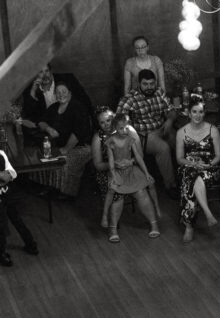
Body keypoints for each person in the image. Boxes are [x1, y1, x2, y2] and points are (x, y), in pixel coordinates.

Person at [116, 69, 177, 193]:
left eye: (151, 84)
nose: (149, 87)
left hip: (162, 128)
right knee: (163, 148)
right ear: (139, 83)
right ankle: (170, 185)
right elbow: (119, 121)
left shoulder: (159, 92)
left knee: (181, 139)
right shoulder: (130, 98)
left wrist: (170, 120)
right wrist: (131, 132)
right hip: (144, 135)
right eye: (145, 84)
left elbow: (171, 110)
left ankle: (186, 176)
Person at [105, 114, 160, 242]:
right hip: (116, 172)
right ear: (115, 128)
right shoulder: (110, 141)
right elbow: (110, 162)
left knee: (142, 192)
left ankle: (154, 223)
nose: (124, 131)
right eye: (120, 128)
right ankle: (112, 228)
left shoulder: (130, 138)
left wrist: (145, 172)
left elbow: (139, 157)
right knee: (117, 194)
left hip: (131, 170)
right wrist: (114, 174)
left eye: (126, 127)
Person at [175, 95, 220, 243]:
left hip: (210, 167)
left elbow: (219, 155)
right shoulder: (181, 132)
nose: (197, 115)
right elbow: (179, 158)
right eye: (194, 112)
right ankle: (207, 214)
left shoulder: (212, 130)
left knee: (191, 180)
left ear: (204, 113)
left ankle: (189, 226)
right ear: (189, 114)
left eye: (200, 112)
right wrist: (194, 164)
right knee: (190, 174)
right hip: (189, 166)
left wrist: (209, 164)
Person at [39, 82, 92, 198]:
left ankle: (67, 193)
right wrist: (48, 128)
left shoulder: (78, 108)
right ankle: (52, 188)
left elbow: (77, 133)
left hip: (82, 147)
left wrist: (66, 149)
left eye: (64, 92)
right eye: (58, 92)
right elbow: (41, 122)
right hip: (60, 146)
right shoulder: (53, 107)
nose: (61, 95)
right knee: (46, 158)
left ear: (70, 93)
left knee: (65, 162)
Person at [19, 65, 92, 146]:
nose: (45, 75)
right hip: (49, 130)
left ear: (50, 71)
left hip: (72, 129)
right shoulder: (31, 89)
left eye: (47, 71)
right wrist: (33, 92)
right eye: (41, 72)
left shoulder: (67, 80)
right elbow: (30, 115)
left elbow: (86, 104)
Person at [0, 148, 39, 266]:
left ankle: (30, 244)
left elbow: (13, 173)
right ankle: (2, 253)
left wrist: (7, 176)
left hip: (6, 195)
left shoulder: (1, 154)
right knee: (1, 227)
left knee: (16, 219)